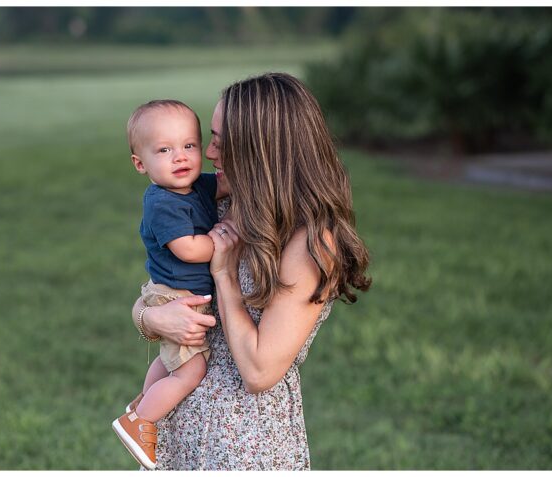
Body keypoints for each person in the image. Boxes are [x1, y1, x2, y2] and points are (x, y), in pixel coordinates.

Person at [130, 72, 371, 470]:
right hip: (177, 433)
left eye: (222, 144)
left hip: (245, 446)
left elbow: (259, 372)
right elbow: (157, 292)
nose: (208, 153)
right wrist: (150, 316)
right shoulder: (221, 208)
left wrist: (224, 276)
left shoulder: (310, 243)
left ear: (263, 150)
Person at [112, 100, 228, 469]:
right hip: (174, 296)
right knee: (190, 371)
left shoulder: (195, 186)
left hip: (179, 294)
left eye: (189, 146)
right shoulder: (162, 202)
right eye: (165, 150)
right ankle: (142, 421)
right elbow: (188, 248)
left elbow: (228, 190)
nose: (181, 157)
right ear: (140, 163)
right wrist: (226, 239)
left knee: (170, 363)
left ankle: (142, 402)